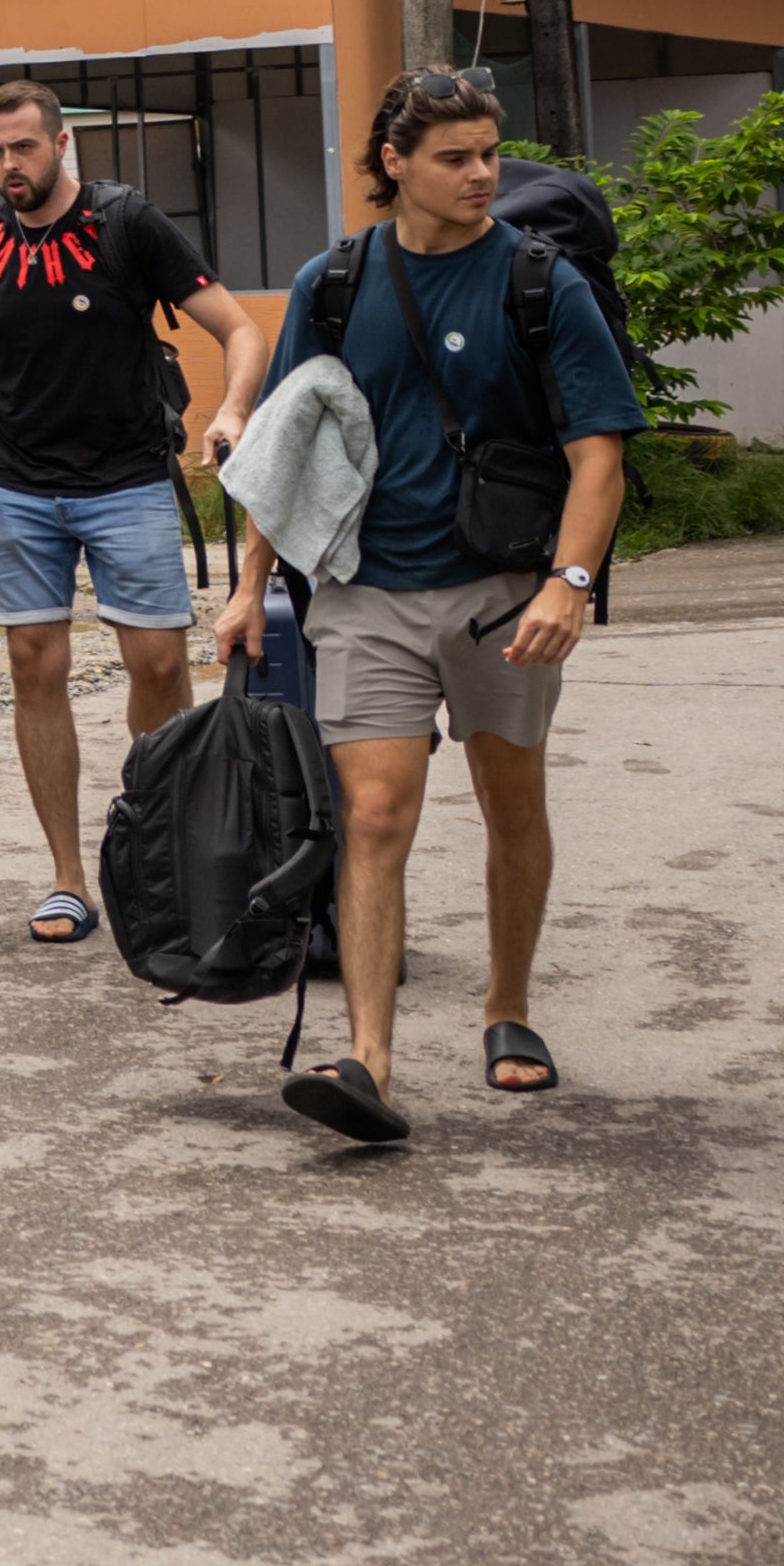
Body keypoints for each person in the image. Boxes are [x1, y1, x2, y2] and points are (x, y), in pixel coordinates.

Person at [221, 69, 636, 1147]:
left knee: (509, 807)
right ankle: (368, 1059)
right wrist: (247, 587)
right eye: (454, 157)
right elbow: (283, 450)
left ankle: (508, 1007)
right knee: (371, 815)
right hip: (364, 594)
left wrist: (569, 583)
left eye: (489, 153)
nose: (480, 174)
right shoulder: (332, 282)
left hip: (504, 592)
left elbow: (599, 458)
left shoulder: (541, 282)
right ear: (392, 164)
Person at [0, 79, 272, 945]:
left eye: (24, 148)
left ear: (61, 144)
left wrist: (232, 410)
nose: (7, 166)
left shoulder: (128, 225)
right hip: (19, 487)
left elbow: (240, 329)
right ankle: (67, 878)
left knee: (158, 665)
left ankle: (157, 851)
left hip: (128, 480)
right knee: (30, 665)